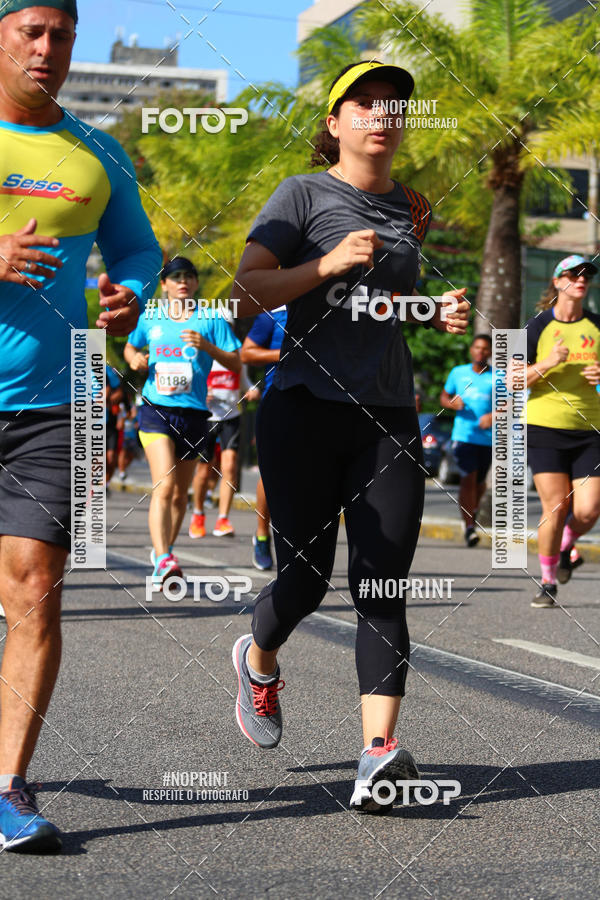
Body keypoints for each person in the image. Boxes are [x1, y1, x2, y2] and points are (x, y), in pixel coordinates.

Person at [229, 61, 469, 813]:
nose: (381, 114)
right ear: (334, 123)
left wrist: (436, 314)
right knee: (305, 580)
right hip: (302, 406)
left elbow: (382, 309)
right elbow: (243, 296)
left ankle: (376, 756)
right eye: (363, 103)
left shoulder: (413, 207)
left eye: (394, 104)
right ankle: (259, 660)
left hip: (388, 414)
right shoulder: (302, 195)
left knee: (382, 582)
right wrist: (324, 263)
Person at [0, 0, 161, 852]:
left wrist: (129, 289)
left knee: (33, 588)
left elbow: (138, 246)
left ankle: (6, 786)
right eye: (30, 29)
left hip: (54, 401)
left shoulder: (96, 151)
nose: (47, 47)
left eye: (60, 33)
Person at [124, 258, 241, 588]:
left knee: (180, 496)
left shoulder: (210, 318)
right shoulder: (152, 316)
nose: (183, 282)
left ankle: (166, 551)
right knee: (165, 485)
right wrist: (137, 360)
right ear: (165, 285)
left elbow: (235, 361)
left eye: (189, 276)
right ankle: (163, 559)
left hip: (194, 415)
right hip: (156, 410)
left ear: (195, 282)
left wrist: (206, 346)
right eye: (175, 277)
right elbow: (131, 350)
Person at [525, 254, 600, 607]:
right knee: (555, 507)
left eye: (586, 274)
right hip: (545, 427)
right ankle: (548, 581)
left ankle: (568, 541)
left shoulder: (598, 326)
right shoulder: (535, 327)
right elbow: (511, 380)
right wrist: (548, 363)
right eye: (572, 274)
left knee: (588, 510)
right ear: (557, 283)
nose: (581, 279)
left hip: (590, 429)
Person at [240, 306, 288, 569]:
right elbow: (247, 352)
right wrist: (282, 354)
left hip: (323, 404)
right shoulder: (275, 312)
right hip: (279, 400)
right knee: (272, 475)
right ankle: (261, 534)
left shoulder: (332, 304)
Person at [188, 356, 251, 538]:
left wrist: (252, 391)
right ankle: (198, 514)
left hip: (231, 418)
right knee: (203, 469)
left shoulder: (237, 355)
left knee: (230, 466)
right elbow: (188, 385)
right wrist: (200, 393)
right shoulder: (201, 355)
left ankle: (223, 519)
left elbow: (245, 384)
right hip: (206, 418)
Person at [440, 335, 494, 547]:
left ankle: (471, 510)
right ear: (472, 350)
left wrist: (494, 416)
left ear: (489, 352)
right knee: (468, 478)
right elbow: (444, 397)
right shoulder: (458, 373)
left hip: (488, 439)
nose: (480, 352)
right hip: (463, 436)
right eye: (477, 347)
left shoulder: (498, 377)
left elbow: (511, 403)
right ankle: (469, 527)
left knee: (480, 484)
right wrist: (451, 403)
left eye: (485, 349)